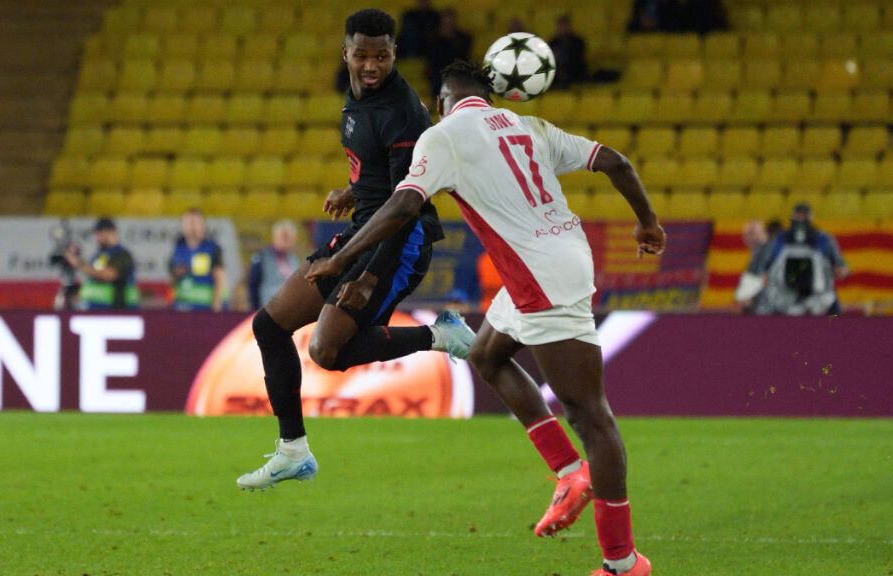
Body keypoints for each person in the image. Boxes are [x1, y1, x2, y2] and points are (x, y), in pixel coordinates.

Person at [307, 60, 665, 575]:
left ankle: (621, 563)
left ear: (440, 101)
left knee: (591, 414)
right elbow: (617, 162)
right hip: (558, 256)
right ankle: (568, 472)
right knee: (486, 354)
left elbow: (405, 206)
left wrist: (341, 259)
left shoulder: (443, 135)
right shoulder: (528, 126)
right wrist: (647, 224)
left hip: (539, 277)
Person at [236, 9, 474, 491]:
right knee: (269, 325)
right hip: (364, 228)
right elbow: (382, 173)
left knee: (326, 350)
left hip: (397, 243)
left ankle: (441, 337)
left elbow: (407, 203)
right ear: (345, 52)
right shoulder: (358, 95)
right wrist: (353, 189)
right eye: (362, 55)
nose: (371, 65)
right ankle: (292, 451)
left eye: (381, 56)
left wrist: (367, 276)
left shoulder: (402, 112)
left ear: (394, 55)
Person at [752, 203, 849, 316]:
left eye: (804, 216)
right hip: (783, 294)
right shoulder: (779, 239)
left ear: (810, 218)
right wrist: (763, 276)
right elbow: (763, 267)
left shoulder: (824, 239)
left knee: (833, 308)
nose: (801, 220)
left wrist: (839, 271)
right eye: (798, 216)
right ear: (793, 217)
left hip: (816, 294)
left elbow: (841, 267)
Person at [64, 217, 138, 311]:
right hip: (95, 311)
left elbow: (108, 275)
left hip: (117, 311)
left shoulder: (122, 255)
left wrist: (79, 263)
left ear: (111, 232)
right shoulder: (99, 255)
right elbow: (94, 280)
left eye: (100, 233)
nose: (97, 237)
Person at [169, 208, 226, 312]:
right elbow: (172, 279)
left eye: (195, 222)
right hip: (182, 307)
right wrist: (177, 274)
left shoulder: (211, 248)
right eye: (188, 223)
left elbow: (219, 275)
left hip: (205, 308)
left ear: (203, 226)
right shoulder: (178, 248)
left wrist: (216, 302)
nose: (192, 226)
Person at [248, 220, 300, 311]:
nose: (287, 241)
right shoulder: (262, 257)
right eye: (284, 237)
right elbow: (253, 284)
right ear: (275, 237)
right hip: (267, 309)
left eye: (289, 238)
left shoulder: (293, 259)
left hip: (289, 311)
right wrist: (254, 309)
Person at [426, 8, 472, 95]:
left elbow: (464, 59)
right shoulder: (433, 40)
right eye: (446, 22)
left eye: (451, 21)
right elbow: (433, 62)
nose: (448, 25)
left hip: (457, 74)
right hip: (439, 76)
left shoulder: (463, 39)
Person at [548, 14, 588, 89]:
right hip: (558, 71)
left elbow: (578, 58)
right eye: (560, 26)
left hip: (574, 70)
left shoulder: (578, 41)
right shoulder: (552, 42)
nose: (563, 29)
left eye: (565, 26)